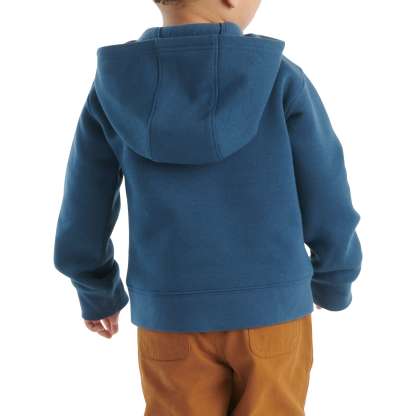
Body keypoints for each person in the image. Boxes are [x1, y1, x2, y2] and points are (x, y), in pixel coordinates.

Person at [53, 0, 362, 414]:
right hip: (273, 313)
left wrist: (96, 290)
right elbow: (326, 187)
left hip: (170, 317)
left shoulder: (115, 86)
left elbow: (84, 203)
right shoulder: (278, 76)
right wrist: (335, 277)